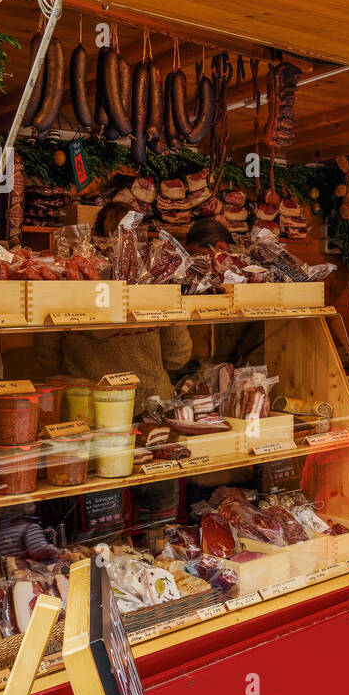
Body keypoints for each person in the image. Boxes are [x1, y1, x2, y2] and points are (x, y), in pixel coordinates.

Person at [35, 218, 231, 525]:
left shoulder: (65, 289)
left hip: (89, 421)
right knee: (159, 514)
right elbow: (179, 355)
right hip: (152, 416)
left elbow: (46, 361)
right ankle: (161, 560)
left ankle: (106, 562)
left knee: (102, 511)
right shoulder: (153, 286)